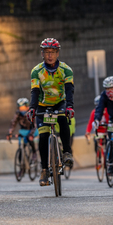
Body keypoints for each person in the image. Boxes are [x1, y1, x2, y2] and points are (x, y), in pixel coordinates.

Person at [27, 38, 74, 186]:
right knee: (43, 136)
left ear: (57, 53)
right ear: (42, 53)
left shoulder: (66, 70)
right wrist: (32, 108)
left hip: (60, 102)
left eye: (53, 52)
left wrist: (70, 106)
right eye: (47, 52)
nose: (50, 55)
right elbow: (34, 91)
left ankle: (67, 152)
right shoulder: (36, 71)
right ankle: (44, 170)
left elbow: (69, 90)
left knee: (63, 120)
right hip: (42, 105)